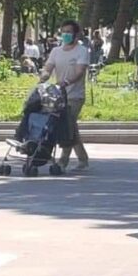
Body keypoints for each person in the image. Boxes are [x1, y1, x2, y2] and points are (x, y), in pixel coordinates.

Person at [40, 20, 90, 171]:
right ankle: (83, 159)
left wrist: (66, 82)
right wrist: (44, 75)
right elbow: (48, 67)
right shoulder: (56, 51)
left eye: (69, 32)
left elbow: (80, 71)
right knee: (70, 127)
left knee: (67, 125)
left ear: (75, 34)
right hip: (58, 96)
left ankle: (63, 160)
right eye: (63, 31)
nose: (65, 34)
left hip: (75, 95)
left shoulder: (82, 51)